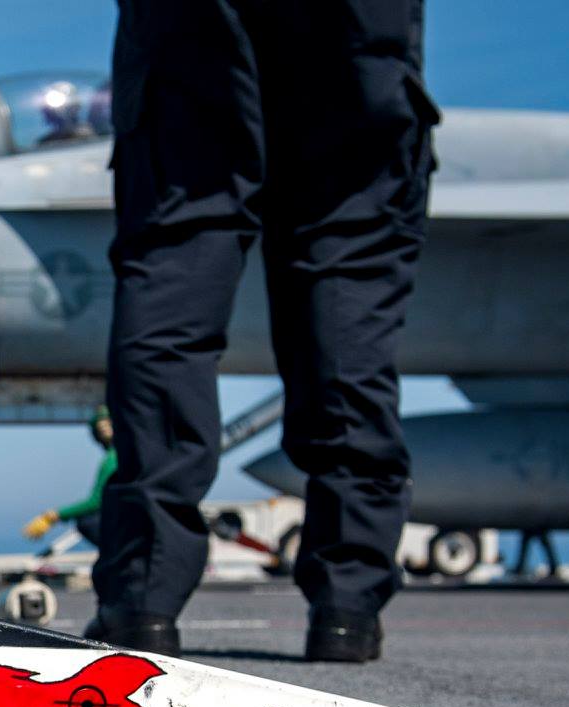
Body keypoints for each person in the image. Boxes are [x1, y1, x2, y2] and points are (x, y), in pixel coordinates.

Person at [90, 0, 439, 661]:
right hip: (358, 29)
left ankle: (142, 601)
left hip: (194, 26)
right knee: (348, 282)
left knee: (177, 262)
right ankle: (347, 607)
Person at [24, 408, 117, 545]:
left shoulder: (113, 458)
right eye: (100, 426)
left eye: (107, 423)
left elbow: (96, 501)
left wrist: (52, 516)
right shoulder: (122, 454)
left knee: (88, 521)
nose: (104, 428)